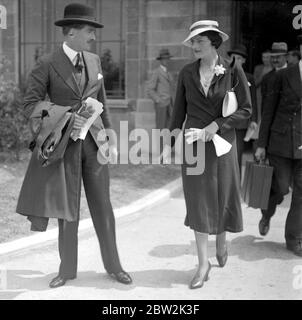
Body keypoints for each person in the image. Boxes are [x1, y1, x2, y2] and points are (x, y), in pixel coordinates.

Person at [16, 3, 132, 288]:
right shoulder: (46, 63)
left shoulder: (94, 60)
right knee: (68, 211)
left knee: (104, 206)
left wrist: (110, 134)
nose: (93, 37)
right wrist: (66, 118)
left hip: (94, 145)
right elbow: (30, 105)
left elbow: (101, 102)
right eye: (88, 31)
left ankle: (114, 267)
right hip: (64, 148)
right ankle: (66, 270)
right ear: (70, 33)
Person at [163, 20, 252, 289]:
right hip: (194, 146)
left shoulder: (233, 70)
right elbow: (179, 112)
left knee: (222, 195)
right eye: (192, 41)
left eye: (199, 41)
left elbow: (246, 110)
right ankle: (203, 264)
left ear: (214, 42)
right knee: (199, 201)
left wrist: (216, 126)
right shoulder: (187, 73)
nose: (193, 45)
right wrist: (169, 144)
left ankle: (222, 237)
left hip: (222, 145)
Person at [255, 35, 302, 257]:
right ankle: (267, 212)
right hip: (281, 143)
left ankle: (294, 239)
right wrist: (261, 144)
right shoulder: (282, 76)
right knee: (282, 188)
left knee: (301, 193)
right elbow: (268, 111)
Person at [227, 44, 258, 176]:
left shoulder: (249, 77)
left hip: (240, 122)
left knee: (236, 153)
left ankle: (236, 187)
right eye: (233, 57)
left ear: (244, 61)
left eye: (239, 58)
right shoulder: (223, 74)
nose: (235, 60)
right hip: (223, 120)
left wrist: (254, 119)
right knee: (223, 154)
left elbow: (253, 100)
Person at [147, 48, 174, 131]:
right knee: (160, 127)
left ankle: (167, 143)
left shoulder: (169, 73)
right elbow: (150, 90)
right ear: (160, 60)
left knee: (170, 126)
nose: (166, 60)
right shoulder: (157, 72)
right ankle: (159, 144)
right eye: (164, 59)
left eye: (167, 58)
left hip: (170, 104)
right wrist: (158, 100)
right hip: (161, 104)